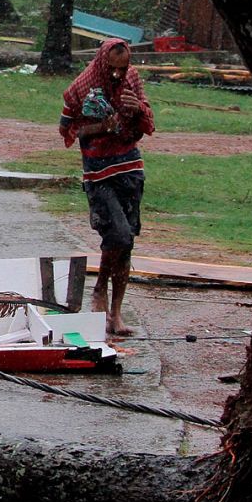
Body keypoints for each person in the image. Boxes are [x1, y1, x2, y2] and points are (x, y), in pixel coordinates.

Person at [58, 39, 154, 337]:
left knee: (125, 242)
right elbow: (69, 130)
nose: (117, 75)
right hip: (99, 172)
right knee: (118, 235)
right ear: (101, 63)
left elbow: (146, 122)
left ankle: (115, 311)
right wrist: (102, 127)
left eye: (121, 69)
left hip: (130, 168)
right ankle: (99, 290)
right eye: (112, 70)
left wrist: (137, 109)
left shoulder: (132, 79)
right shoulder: (80, 88)